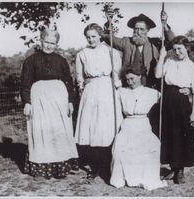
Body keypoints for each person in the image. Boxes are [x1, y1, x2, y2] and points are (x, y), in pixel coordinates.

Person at [21, 28, 78, 179]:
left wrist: (70, 101)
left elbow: (69, 82)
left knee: (59, 130)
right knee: (41, 130)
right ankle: (41, 168)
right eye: (47, 42)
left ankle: (60, 168)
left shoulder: (61, 61)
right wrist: (27, 102)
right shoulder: (30, 60)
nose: (49, 46)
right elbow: (25, 84)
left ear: (57, 44)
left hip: (59, 98)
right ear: (41, 41)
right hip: (39, 97)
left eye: (53, 43)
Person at [74, 23, 123, 180]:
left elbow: (117, 74)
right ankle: (94, 166)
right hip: (90, 90)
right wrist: (82, 89)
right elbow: (79, 77)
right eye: (88, 37)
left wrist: (117, 89)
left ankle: (108, 165)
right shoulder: (82, 54)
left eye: (94, 36)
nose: (91, 39)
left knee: (106, 127)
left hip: (107, 89)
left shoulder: (111, 52)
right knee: (92, 128)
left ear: (100, 35)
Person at [110, 65, 167, 190]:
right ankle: (124, 177)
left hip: (143, 125)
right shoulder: (122, 92)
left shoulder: (152, 93)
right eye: (127, 79)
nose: (130, 82)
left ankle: (144, 177)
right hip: (128, 124)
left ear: (140, 76)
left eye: (132, 78)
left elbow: (166, 100)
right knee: (120, 147)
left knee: (150, 146)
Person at [155, 35, 194, 184]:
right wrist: (162, 57)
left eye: (180, 49)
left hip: (181, 104)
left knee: (180, 135)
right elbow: (157, 75)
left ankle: (180, 170)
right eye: (174, 49)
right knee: (168, 134)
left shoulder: (192, 67)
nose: (177, 52)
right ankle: (172, 167)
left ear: (187, 48)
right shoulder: (169, 61)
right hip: (167, 100)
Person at [101, 11, 174, 88]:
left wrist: (164, 24)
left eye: (142, 29)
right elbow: (110, 39)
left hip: (150, 85)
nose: (138, 32)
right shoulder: (126, 42)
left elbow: (172, 41)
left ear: (147, 30)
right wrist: (109, 22)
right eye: (136, 29)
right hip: (129, 84)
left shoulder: (155, 43)